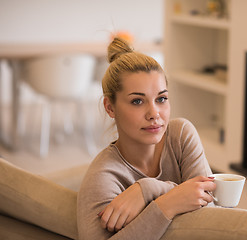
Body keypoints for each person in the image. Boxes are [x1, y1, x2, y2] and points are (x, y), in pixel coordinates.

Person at [77, 37, 216, 240]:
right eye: (137, 101)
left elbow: (211, 213)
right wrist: (166, 205)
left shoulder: (180, 135)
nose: (154, 113)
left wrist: (149, 189)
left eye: (161, 99)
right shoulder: (103, 177)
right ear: (110, 107)